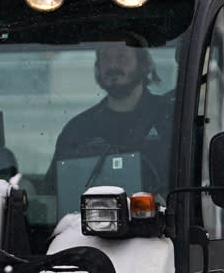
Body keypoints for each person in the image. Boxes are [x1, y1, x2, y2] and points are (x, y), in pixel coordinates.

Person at [48, 41, 172, 200]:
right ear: (97, 67)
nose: (113, 65)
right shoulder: (78, 130)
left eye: (121, 56)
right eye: (105, 57)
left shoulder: (171, 120)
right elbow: (52, 194)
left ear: (143, 64)